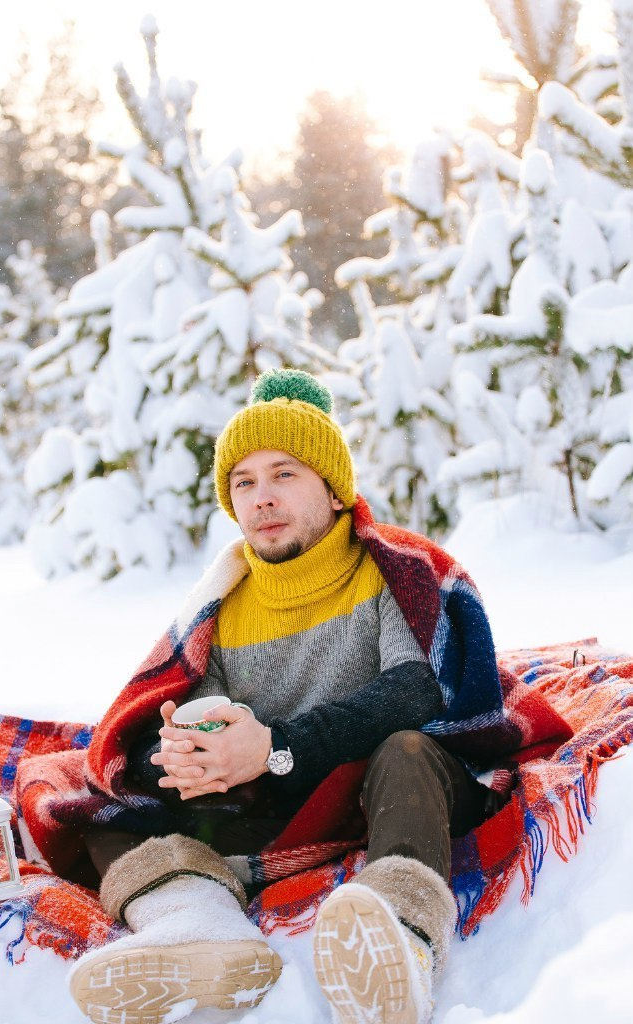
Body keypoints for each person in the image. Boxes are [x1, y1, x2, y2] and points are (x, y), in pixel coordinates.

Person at [68, 369, 509, 1024]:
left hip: (397, 792)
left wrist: (277, 746)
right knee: (95, 805)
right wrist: (185, 756)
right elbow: (188, 716)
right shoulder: (224, 602)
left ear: (332, 489)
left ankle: (400, 939)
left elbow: (418, 690)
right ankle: (200, 928)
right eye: (243, 482)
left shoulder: (394, 568)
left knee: (407, 749)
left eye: (284, 474)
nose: (262, 498)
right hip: (288, 805)